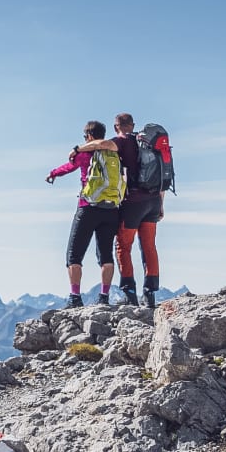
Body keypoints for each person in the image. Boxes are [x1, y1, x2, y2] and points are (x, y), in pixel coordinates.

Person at [80, 113, 163, 307]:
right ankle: (150, 293)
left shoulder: (120, 141)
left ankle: (130, 292)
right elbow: (161, 175)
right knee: (149, 246)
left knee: (123, 246)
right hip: (153, 200)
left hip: (133, 202)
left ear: (116, 126)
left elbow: (100, 144)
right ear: (132, 125)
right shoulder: (148, 142)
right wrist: (161, 204)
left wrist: (78, 149)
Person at [44, 120, 125, 308]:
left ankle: (75, 297)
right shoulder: (114, 152)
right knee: (106, 255)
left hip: (87, 208)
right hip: (111, 209)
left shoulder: (84, 154)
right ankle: (104, 296)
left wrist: (53, 173)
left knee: (74, 255)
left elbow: (68, 167)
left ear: (88, 137)